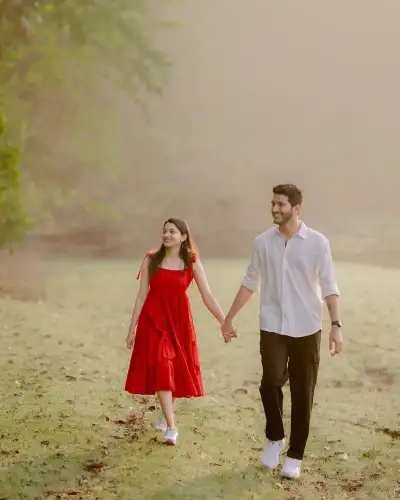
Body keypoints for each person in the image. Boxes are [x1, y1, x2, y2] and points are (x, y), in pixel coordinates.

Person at [221, 184, 343, 479]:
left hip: (306, 327)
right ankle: (275, 438)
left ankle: (295, 457)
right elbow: (250, 281)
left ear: (296, 208)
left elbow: (329, 285)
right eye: (273, 203)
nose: (275, 209)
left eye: (281, 205)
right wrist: (229, 318)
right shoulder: (263, 242)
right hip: (273, 324)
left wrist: (336, 326)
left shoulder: (318, 243)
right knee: (270, 382)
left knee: (303, 393)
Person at [125, 217, 235, 446]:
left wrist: (224, 321)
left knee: (173, 369)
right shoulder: (151, 259)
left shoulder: (191, 262)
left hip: (179, 322)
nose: (167, 235)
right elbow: (141, 295)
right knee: (162, 364)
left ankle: (165, 413)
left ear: (183, 237)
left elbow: (207, 296)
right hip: (153, 321)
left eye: (172, 231)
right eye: (164, 231)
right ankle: (172, 427)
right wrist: (132, 328)